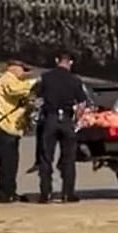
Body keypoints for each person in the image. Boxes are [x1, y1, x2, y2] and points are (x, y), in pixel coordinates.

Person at [32, 51, 89, 203]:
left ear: (57, 60)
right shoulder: (75, 80)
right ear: (70, 63)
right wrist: (77, 119)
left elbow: (37, 99)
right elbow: (82, 103)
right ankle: (67, 193)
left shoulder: (46, 77)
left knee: (46, 157)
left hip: (50, 118)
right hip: (66, 120)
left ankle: (46, 193)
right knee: (68, 158)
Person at [0, 60, 36, 203]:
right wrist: (34, 83)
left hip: (12, 129)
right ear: (14, 68)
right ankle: (4, 194)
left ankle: (9, 191)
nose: (24, 73)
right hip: (2, 126)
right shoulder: (6, 79)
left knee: (12, 163)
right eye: (23, 69)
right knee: (7, 163)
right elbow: (15, 90)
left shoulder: (14, 81)